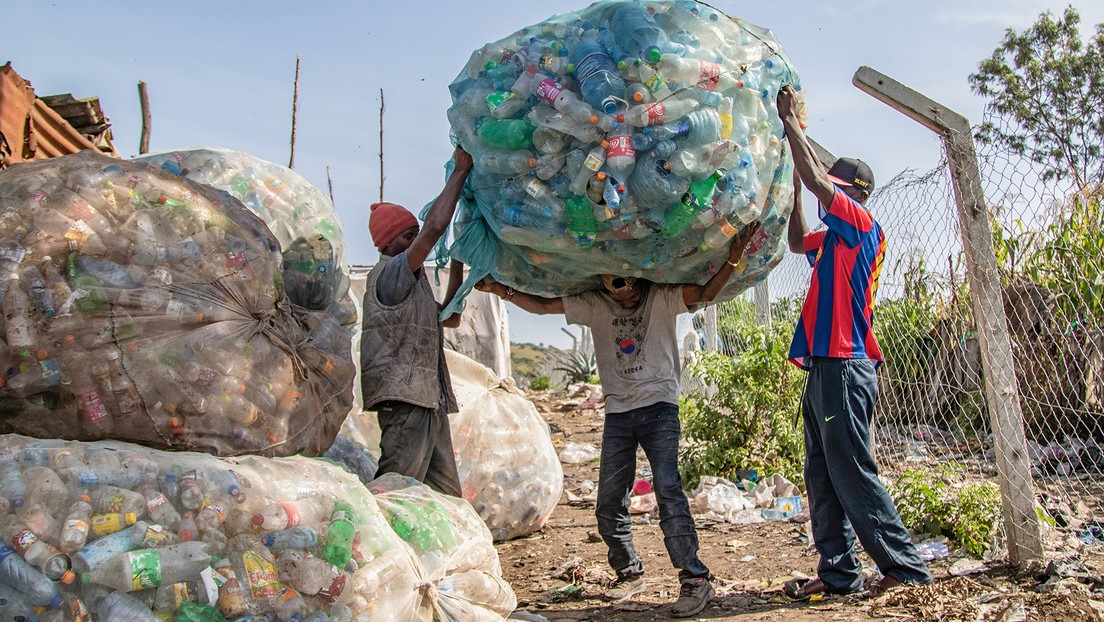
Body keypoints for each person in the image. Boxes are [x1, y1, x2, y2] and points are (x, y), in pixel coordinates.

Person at [478, 222, 759, 618]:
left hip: (660, 408)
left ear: (640, 279)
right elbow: (542, 306)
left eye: (630, 288)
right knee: (609, 500)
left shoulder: (662, 297)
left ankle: (695, 580)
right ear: (606, 285)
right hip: (618, 412)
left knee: (668, 490)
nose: (626, 298)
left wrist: (734, 255)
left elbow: (708, 292)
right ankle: (628, 572)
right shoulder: (594, 304)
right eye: (616, 289)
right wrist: (500, 289)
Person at [776, 86, 932, 599]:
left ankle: (906, 568)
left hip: (847, 362)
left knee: (851, 468)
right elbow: (799, 242)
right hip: (825, 365)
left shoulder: (861, 225)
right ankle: (839, 575)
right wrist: (795, 192)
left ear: (857, 194)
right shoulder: (835, 236)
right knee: (821, 473)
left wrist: (791, 125)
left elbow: (819, 179)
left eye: (839, 189)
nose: (830, 194)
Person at [359, 146, 473, 497]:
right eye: (408, 237)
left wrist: (458, 261)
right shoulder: (390, 274)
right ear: (387, 244)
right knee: (395, 490)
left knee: (446, 495)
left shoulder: (415, 284)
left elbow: (449, 318)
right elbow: (436, 226)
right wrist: (460, 171)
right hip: (405, 399)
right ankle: (378, 549)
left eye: (414, 235)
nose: (416, 243)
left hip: (427, 398)